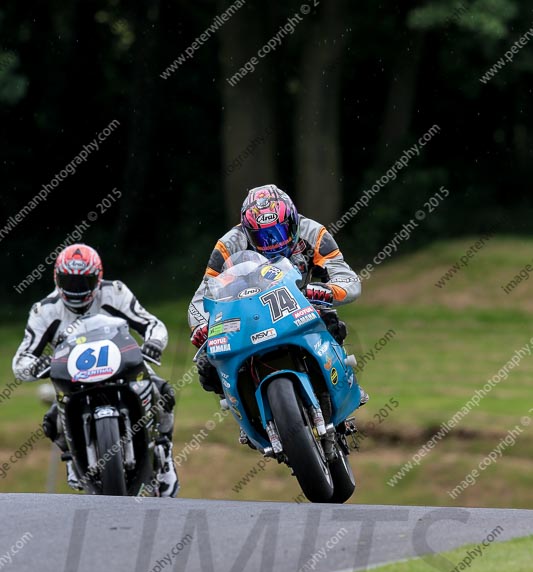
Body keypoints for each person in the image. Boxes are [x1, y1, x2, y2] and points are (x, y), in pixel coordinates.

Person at [12, 244, 179, 497]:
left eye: (84, 282)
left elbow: (152, 324)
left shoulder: (116, 292)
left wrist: (154, 343)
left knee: (164, 393)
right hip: (75, 379)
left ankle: (164, 455)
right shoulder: (44, 310)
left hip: (122, 368)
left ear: (98, 278)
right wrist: (35, 365)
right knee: (52, 422)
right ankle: (71, 458)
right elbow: (20, 361)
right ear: (57, 279)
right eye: (69, 282)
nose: (76, 290)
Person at [188, 183, 369, 403]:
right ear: (247, 231)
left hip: (300, 303)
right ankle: (241, 405)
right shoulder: (228, 245)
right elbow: (202, 295)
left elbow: (347, 277)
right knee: (208, 366)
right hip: (245, 312)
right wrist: (201, 326)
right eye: (262, 236)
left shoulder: (314, 232)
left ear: (293, 220)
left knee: (332, 323)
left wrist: (328, 291)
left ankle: (344, 386)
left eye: (280, 231)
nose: (273, 242)